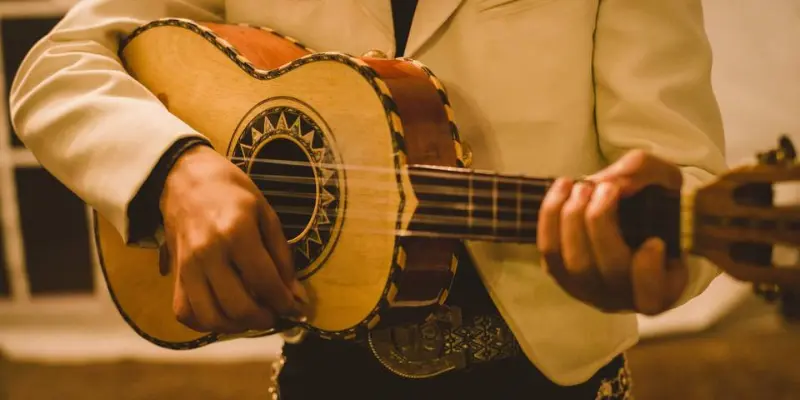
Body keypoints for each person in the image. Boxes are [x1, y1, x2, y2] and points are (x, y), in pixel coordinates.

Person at [10, 0, 727, 398]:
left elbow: (688, 178)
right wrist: (175, 171)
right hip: (323, 369)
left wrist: (652, 262)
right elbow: (57, 67)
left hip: (545, 380)